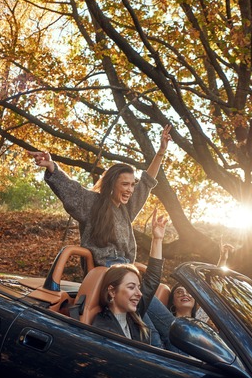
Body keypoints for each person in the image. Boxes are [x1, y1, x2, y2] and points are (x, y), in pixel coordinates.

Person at [28, 125, 172, 271]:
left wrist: (161, 151)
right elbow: (71, 189)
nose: (130, 190)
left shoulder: (126, 208)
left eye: (132, 185)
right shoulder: (92, 203)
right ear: (111, 185)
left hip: (126, 269)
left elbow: (147, 182)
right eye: (125, 184)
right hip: (103, 271)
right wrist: (51, 165)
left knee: (161, 291)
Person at [92, 208, 167, 344]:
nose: (139, 293)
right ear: (112, 291)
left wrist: (157, 239)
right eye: (131, 287)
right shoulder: (103, 328)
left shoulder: (134, 314)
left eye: (138, 287)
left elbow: (152, 280)